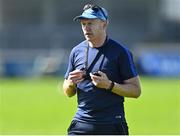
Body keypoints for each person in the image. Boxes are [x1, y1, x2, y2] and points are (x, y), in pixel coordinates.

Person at [63, 3, 141, 135]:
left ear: (104, 24)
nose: (86, 28)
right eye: (83, 24)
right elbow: (68, 92)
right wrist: (71, 83)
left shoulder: (120, 52)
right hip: (81, 123)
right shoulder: (76, 51)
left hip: (111, 124)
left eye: (90, 23)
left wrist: (110, 85)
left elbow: (136, 91)